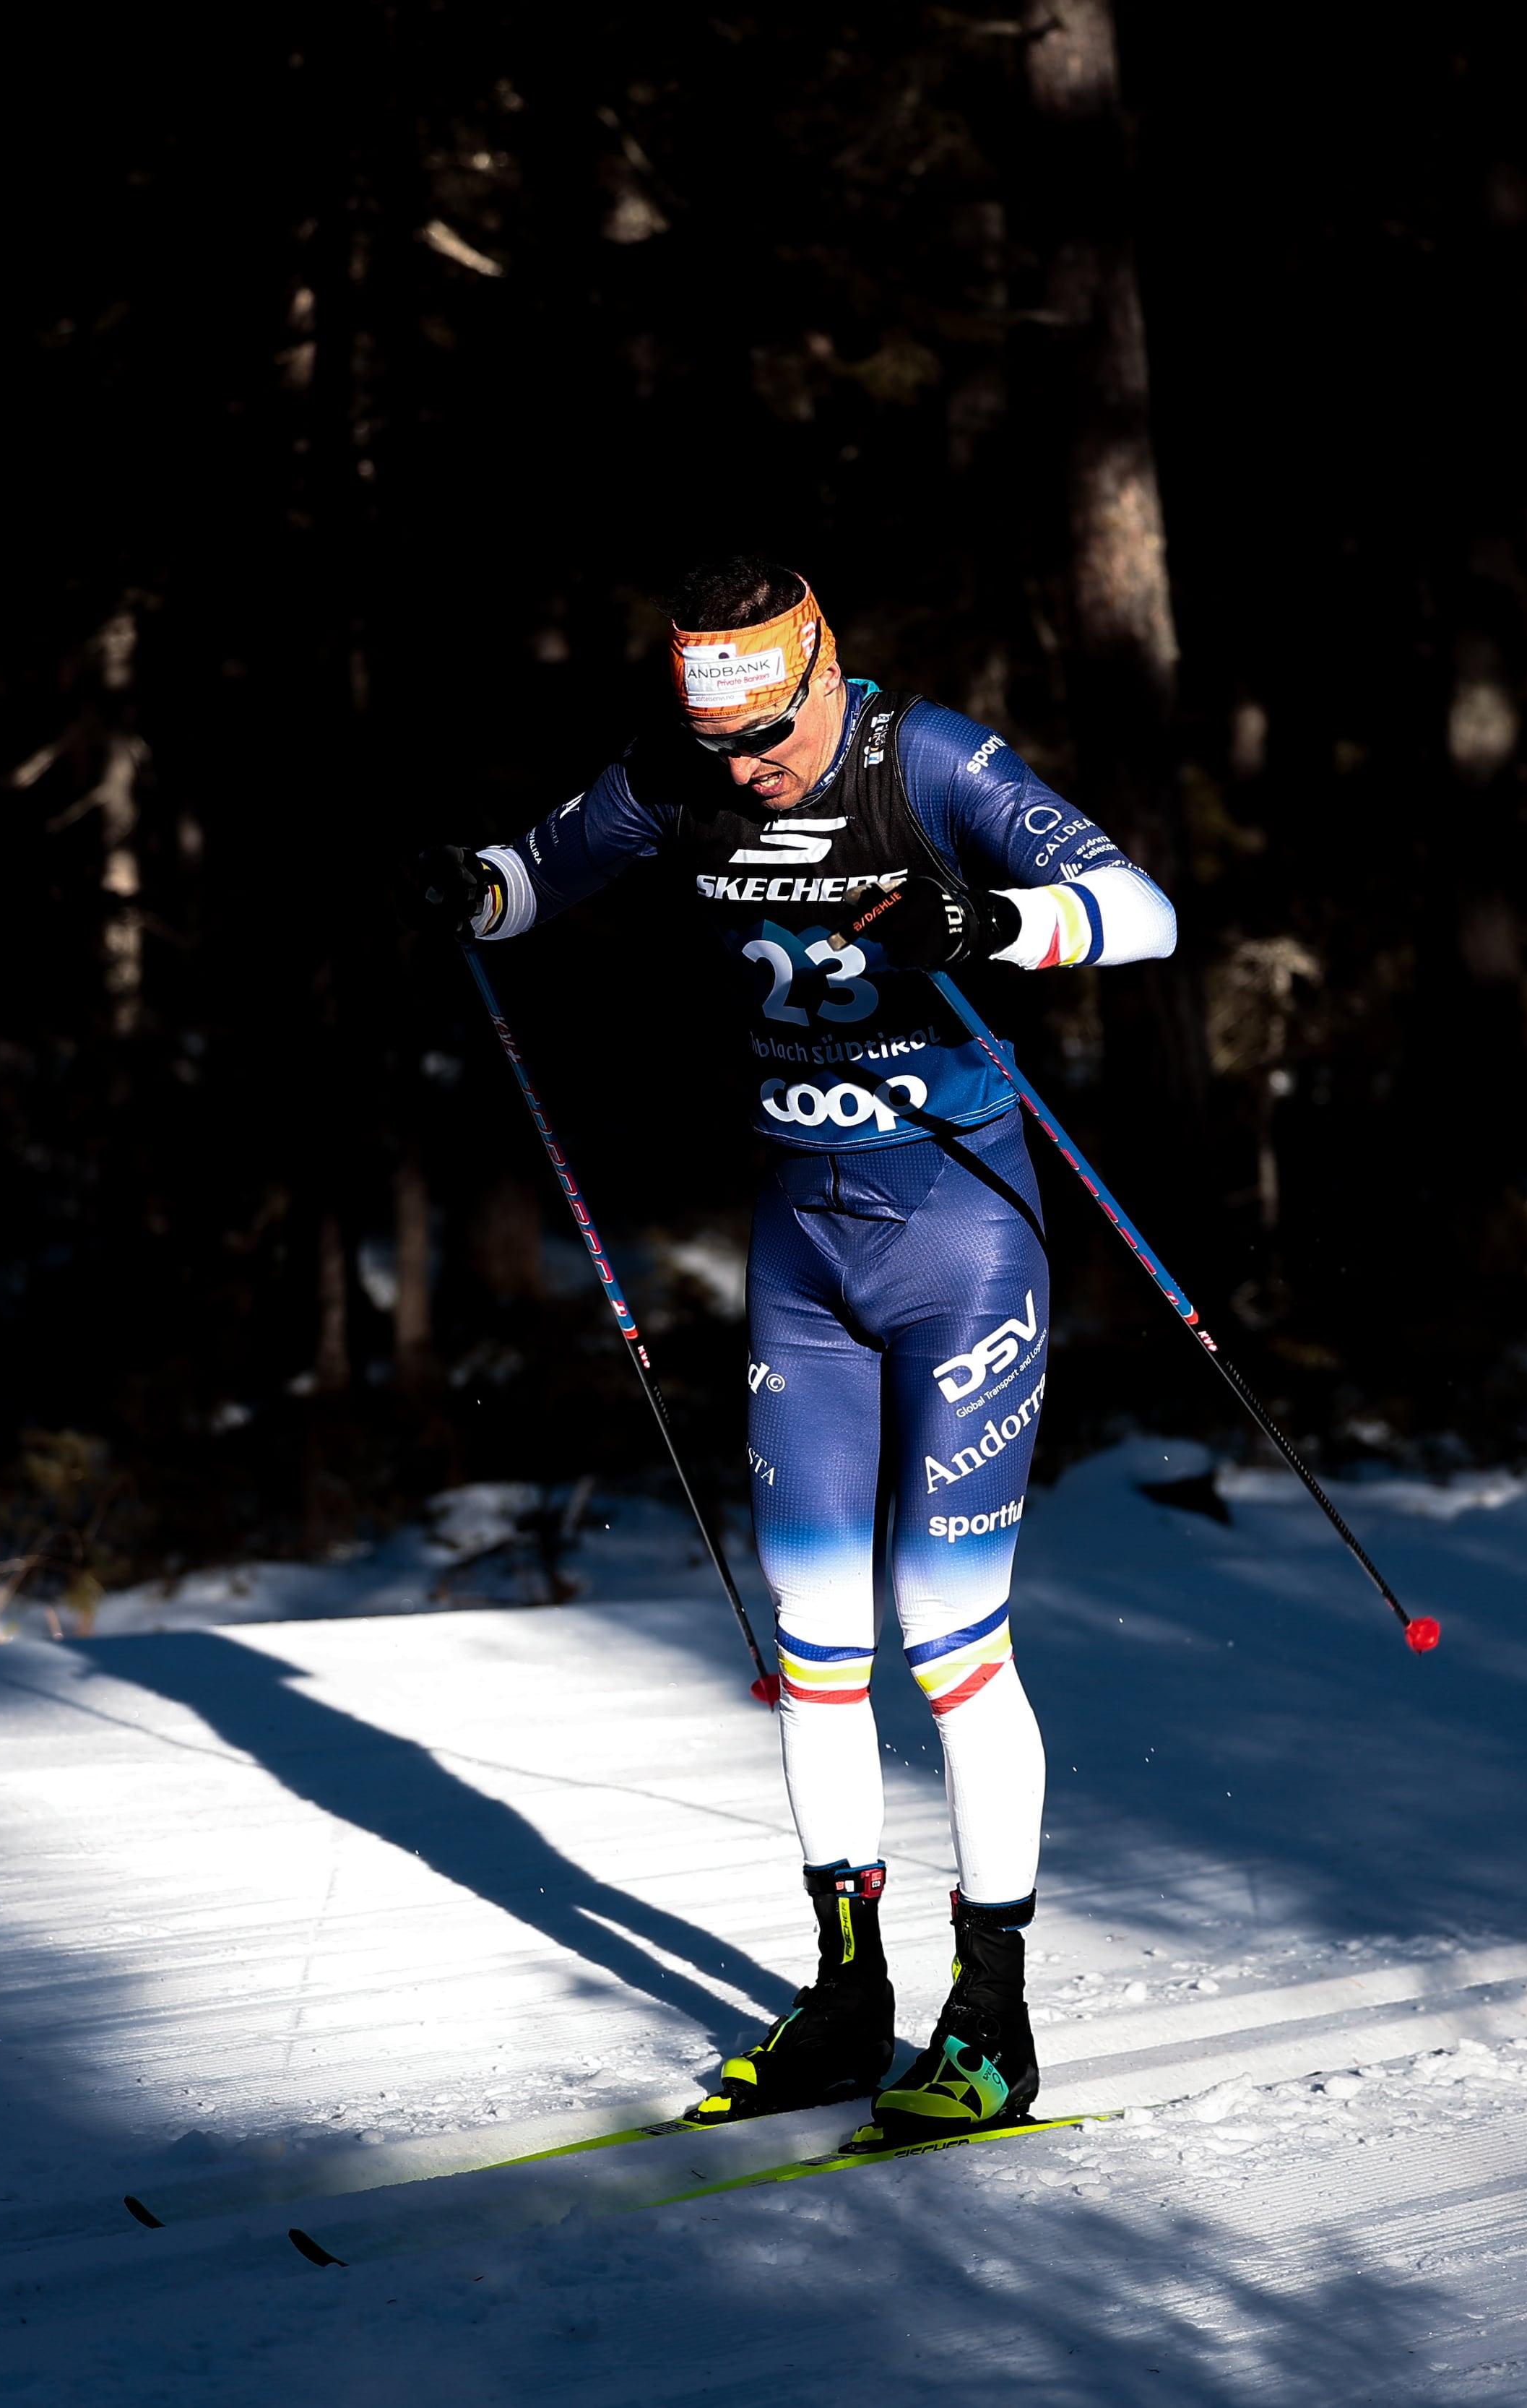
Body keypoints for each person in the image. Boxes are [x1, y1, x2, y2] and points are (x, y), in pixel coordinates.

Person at [412, 556, 1175, 2144]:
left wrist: (987, 917)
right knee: (813, 1648)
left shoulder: (933, 761)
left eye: (770, 732)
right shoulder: (678, 769)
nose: (746, 766)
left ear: (826, 667)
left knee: (948, 1636)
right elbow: (544, 868)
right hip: (802, 1255)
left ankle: (995, 2014)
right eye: (725, 741)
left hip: (961, 1242)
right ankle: (846, 2000)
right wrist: (480, 889)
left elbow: (1142, 912)